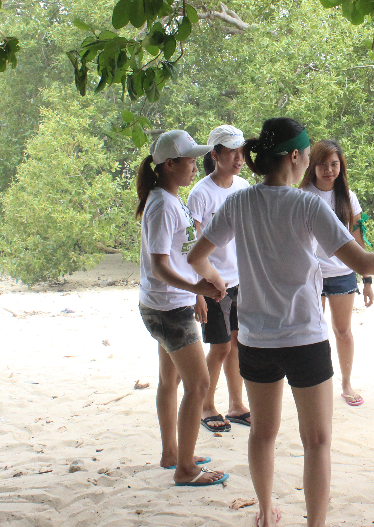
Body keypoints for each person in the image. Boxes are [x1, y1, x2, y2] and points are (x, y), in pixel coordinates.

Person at [188, 117, 374, 527]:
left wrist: (213, 282)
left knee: (262, 433)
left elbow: (196, 256)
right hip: (304, 338)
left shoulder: (238, 202)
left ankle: (265, 512)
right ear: (294, 157)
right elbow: (362, 261)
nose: (310, 163)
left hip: (254, 339)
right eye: (308, 156)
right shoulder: (306, 205)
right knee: (318, 441)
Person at [136, 129, 229, 487]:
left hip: (167, 304)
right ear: (169, 165)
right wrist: (196, 288)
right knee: (199, 383)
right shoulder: (162, 205)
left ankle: (172, 453)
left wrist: (197, 293)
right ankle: (185, 468)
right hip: (168, 309)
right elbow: (160, 265)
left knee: (170, 380)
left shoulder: (169, 199)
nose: (194, 165)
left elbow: (179, 256)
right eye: (188, 160)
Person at [187, 125, 252, 433]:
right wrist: (197, 293)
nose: (239, 159)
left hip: (241, 279)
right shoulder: (200, 193)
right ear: (214, 155)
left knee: (237, 344)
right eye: (231, 152)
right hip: (213, 283)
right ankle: (206, 405)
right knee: (220, 347)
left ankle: (237, 405)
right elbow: (189, 247)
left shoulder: (244, 187)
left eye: (242, 152)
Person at [299, 139, 373, 407]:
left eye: (334, 164)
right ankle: (316, 384)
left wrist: (367, 279)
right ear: (312, 165)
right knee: (313, 333)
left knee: (343, 331)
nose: (329, 170)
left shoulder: (348, 197)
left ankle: (346, 383)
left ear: (341, 166)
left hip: (342, 272)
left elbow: (358, 239)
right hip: (311, 274)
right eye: (323, 164)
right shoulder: (302, 195)